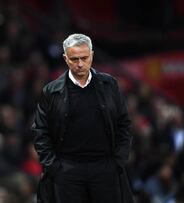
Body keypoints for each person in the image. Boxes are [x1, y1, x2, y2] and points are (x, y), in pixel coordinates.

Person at [32, 33, 134, 203]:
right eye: (74, 59)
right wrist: (54, 167)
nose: (80, 64)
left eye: (84, 58)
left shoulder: (110, 84)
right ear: (65, 59)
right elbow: (40, 131)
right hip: (67, 170)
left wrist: (118, 161)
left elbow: (124, 124)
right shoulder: (51, 91)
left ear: (92, 56)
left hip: (104, 167)